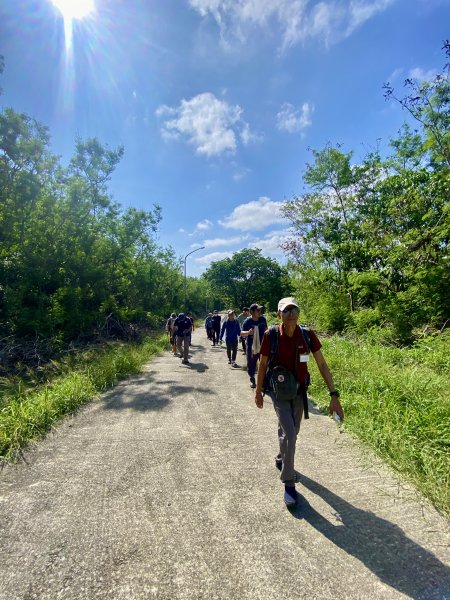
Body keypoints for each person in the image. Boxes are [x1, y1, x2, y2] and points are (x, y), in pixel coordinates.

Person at [254, 297, 344, 507]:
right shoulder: (272, 335)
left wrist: (334, 395)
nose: (291, 313)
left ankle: (281, 456)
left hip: (299, 392)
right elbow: (263, 364)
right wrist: (258, 391)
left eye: (294, 309)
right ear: (279, 315)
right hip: (278, 392)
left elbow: (321, 363)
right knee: (290, 434)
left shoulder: (307, 335)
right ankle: (289, 483)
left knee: (292, 431)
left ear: (299, 313)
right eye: (286, 310)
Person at [241, 303, 267, 388]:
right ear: (252, 312)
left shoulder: (263, 319)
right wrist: (248, 332)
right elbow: (241, 333)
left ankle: (263, 381)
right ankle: (252, 379)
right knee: (251, 363)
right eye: (258, 310)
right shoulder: (247, 322)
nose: (260, 311)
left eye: (260, 310)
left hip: (263, 345)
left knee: (264, 363)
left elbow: (266, 330)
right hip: (251, 346)